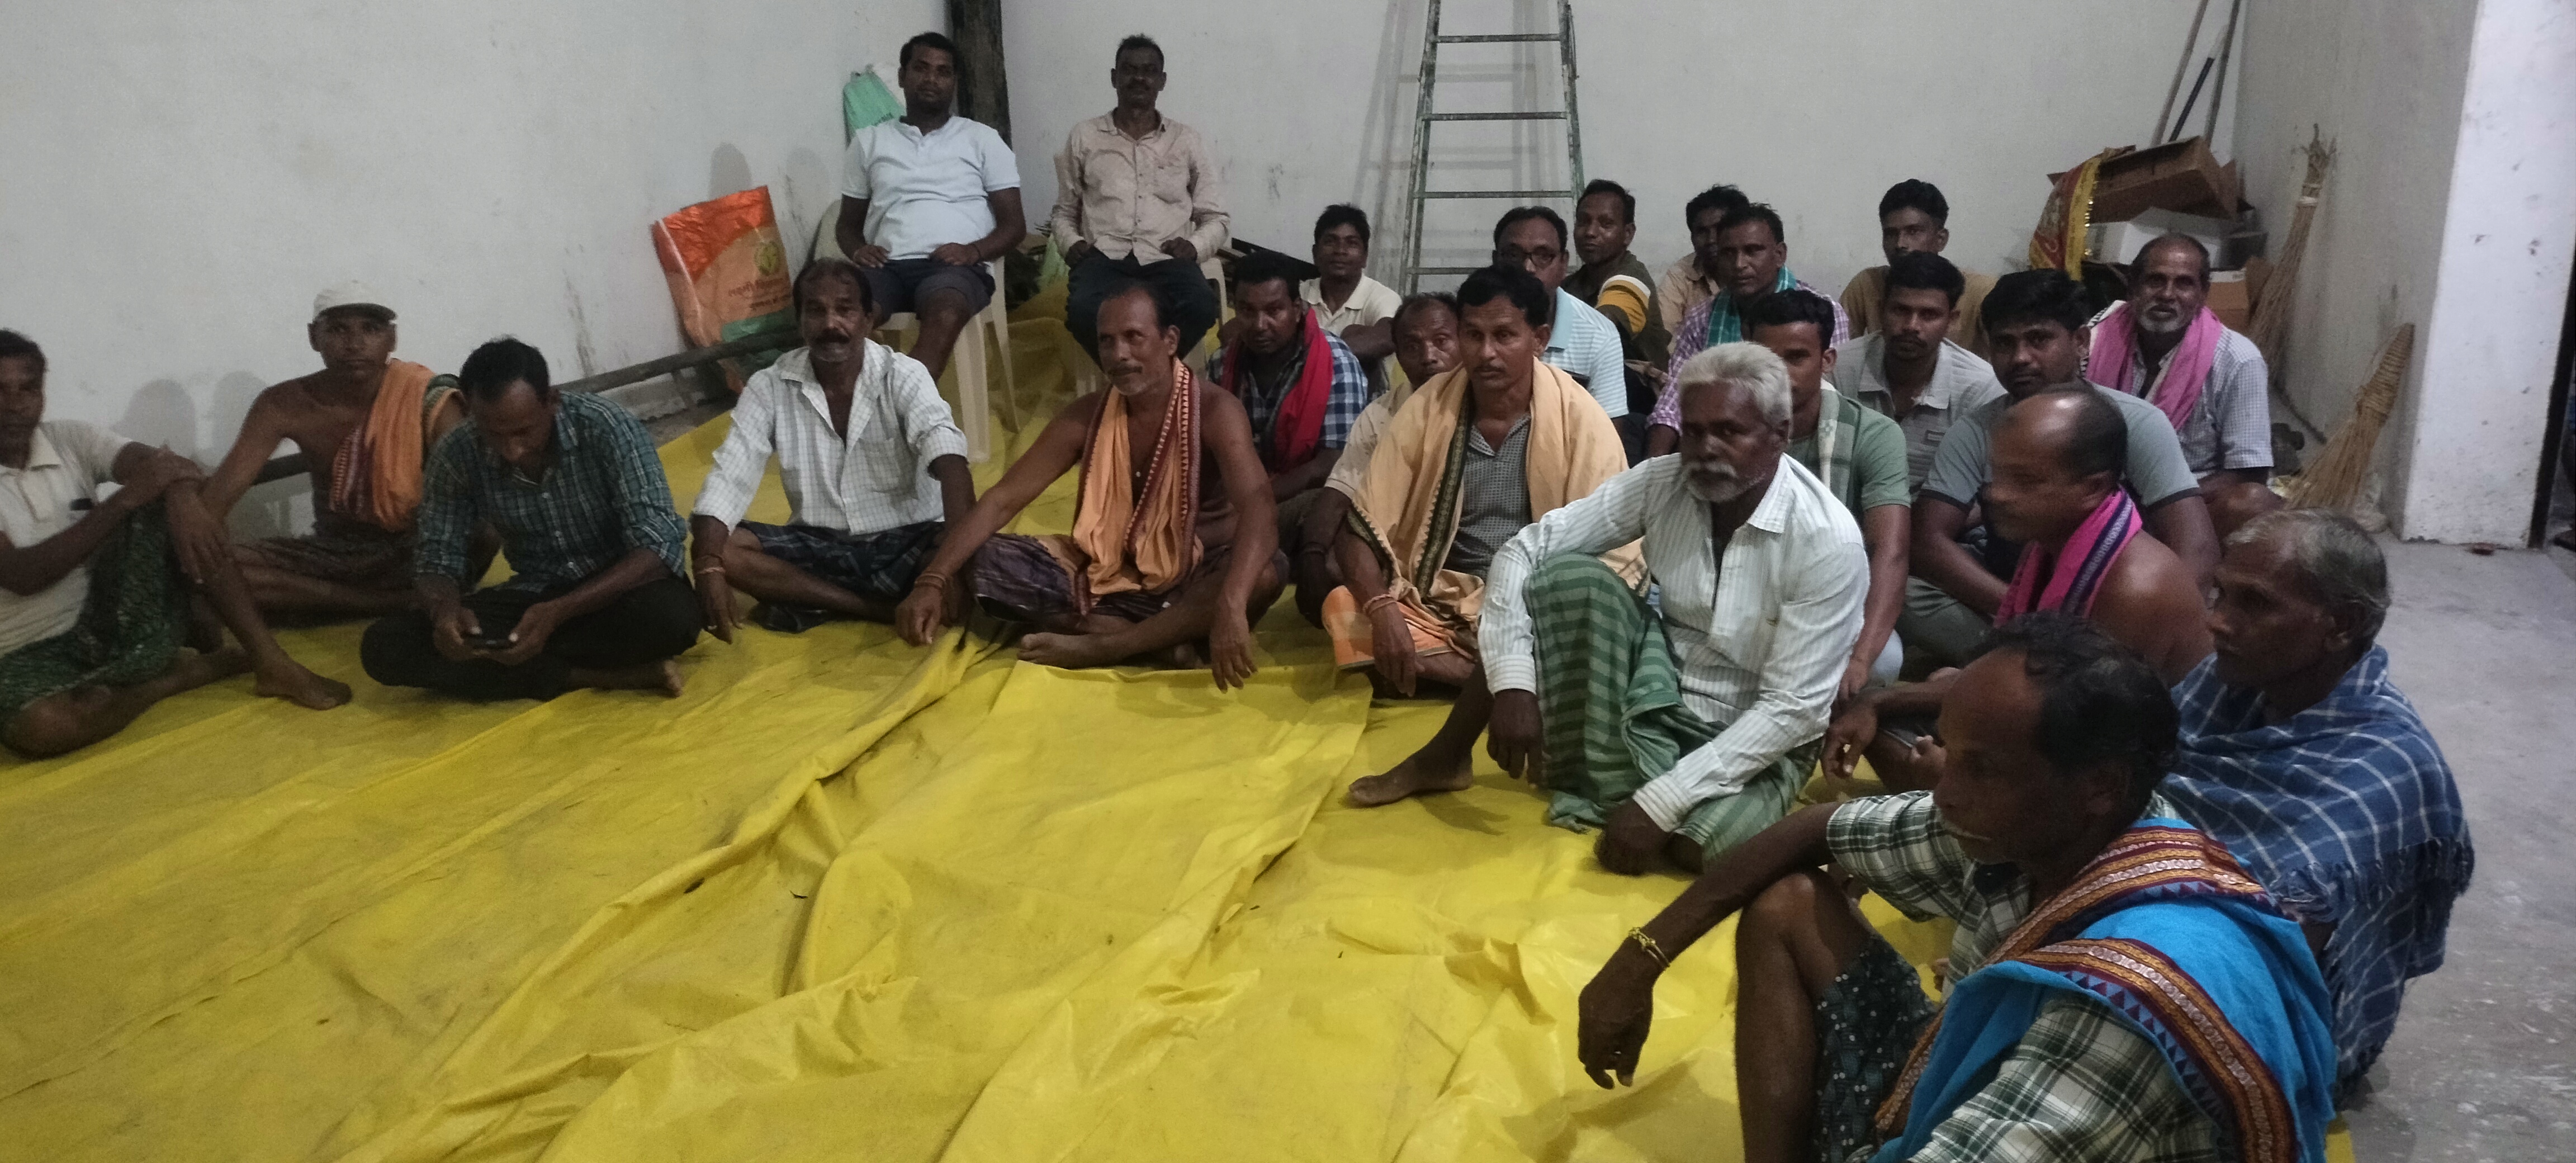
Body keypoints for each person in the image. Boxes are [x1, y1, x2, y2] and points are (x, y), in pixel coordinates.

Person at [1575, 614, 2336, 1163]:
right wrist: (1640, 958)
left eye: (1983, 767)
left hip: (2046, 1105)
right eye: (1949, 750)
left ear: (2099, 786)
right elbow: (1819, 828)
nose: (1943, 789)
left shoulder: (2123, 1008)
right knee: (1791, 905)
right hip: (1975, 1079)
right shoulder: (2050, 824)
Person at [1442, 343, 1866, 873]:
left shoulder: (1828, 540)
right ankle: (1645, 781)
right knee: (1565, 579)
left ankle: (1637, 786)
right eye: (1694, 431)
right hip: (1657, 688)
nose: (1705, 449)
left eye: (1729, 432)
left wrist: (1659, 804)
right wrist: (1512, 682)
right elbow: (1525, 550)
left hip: (1757, 721)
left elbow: (1791, 710)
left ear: (1780, 435)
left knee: (1704, 850)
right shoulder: (1663, 482)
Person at [2163, 509, 2473, 1103]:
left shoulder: (2385, 772)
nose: (2217, 621)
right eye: (2221, 593)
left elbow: (2259, 958)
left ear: (2342, 625)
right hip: (2181, 947)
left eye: (2255, 603)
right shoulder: (2225, 684)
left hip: (2282, 1034)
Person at [1334, 265, 1635, 805]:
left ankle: (1473, 698)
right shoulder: (1427, 407)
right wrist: (1382, 611)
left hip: (1537, 604)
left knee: (1580, 614)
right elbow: (1362, 526)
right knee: (1343, 609)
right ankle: (1514, 681)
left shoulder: (1581, 418)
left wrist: (1525, 614)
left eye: (1504, 336)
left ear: (1539, 339)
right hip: (1440, 599)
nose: (1486, 353)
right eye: (1473, 335)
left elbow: (1612, 555)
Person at [894, 283, 1281, 687]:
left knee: (1264, 575)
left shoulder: (1215, 411)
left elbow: (1259, 509)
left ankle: (1108, 644)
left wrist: (1232, 602)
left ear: (1170, 340)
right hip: (1108, 572)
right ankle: (1158, 640)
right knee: (968, 556)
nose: (1119, 355)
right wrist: (933, 580)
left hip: (1193, 577)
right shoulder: (1087, 415)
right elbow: (1002, 500)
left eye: (1133, 337)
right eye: (1107, 341)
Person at [1832, 389, 2213, 791]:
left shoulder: (2134, 589)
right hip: (2069, 725)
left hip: (2125, 772)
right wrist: (1879, 700)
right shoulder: (2049, 541)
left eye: (2025, 481)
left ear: (2092, 488)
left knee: (1927, 736)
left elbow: (2084, 746)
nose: (1996, 494)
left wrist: (1957, 766)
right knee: (1880, 714)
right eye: (1997, 475)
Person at [0, 331, 350, 756]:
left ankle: (271, 662)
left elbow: (170, 466)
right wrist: (127, 499)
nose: (15, 405)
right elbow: (23, 576)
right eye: (0, 390)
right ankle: (175, 678)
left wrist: (180, 497)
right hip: (14, 654)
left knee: (179, 503)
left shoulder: (68, 439)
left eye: (28, 389)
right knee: (45, 729)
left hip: (104, 623)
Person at [1904, 268, 2219, 671]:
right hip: (2013, 599)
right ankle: (2020, 660)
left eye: (2038, 339)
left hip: (2112, 610)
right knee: (1902, 591)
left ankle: (2015, 666)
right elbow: (1929, 541)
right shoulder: (1976, 429)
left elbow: (2197, 549)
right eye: (2005, 343)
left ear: (2081, 341)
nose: (2020, 358)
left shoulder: (2134, 423)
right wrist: (2029, 615)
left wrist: (2158, 617)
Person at [359, 339, 698, 701]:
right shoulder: (457, 452)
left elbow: (657, 547)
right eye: (493, 434)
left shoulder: (607, 427)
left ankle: (521, 667)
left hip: (617, 588)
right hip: (535, 594)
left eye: (523, 432)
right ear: (471, 411)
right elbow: (437, 557)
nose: (512, 451)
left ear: (551, 401)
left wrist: (559, 612)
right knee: (386, 646)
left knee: (671, 618)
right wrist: (446, 612)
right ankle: (594, 674)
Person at [689, 258, 976, 637]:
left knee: (977, 556)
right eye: (816, 311)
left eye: (845, 310)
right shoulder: (769, 386)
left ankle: (816, 600)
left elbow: (950, 460)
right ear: (800, 321)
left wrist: (945, 574)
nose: (831, 325)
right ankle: (871, 608)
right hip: (821, 546)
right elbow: (730, 477)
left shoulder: (904, 375)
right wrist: (708, 564)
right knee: (721, 549)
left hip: (910, 541)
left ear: (868, 320)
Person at [195, 282, 472, 617]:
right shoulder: (282, 405)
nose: (355, 344)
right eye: (338, 330)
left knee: (482, 534)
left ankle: (358, 599)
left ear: (392, 339)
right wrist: (189, 522)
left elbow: (469, 500)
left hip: (422, 554)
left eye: (371, 329)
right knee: (210, 566)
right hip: (334, 553)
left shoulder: (428, 398)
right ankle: (386, 604)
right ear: (314, 337)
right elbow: (216, 502)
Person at [1742, 290, 1910, 701]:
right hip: (1743, 591)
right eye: (1766, 360)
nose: (1779, 374)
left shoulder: (1874, 434)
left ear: (1827, 361)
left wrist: (1860, 660)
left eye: (1796, 357)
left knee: (1884, 661)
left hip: (1833, 601)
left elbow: (1890, 551)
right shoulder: (1729, 427)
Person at [835, 31, 1026, 380]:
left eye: (943, 72)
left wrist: (973, 251)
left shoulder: (982, 139)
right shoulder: (869, 142)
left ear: (954, 82)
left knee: (946, 312)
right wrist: (858, 250)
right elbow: (847, 225)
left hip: (953, 268)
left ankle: (904, 404)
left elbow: (1014, 226)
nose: (931, 79)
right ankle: (839, 404)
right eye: (921, 68)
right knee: (846, 316)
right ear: (902, 76)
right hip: (887, 268)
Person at [1052, 34, 1227, 362]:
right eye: (1129, 70)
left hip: (1166, 258)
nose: (1139, 79)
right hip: (1104, 258)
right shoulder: (1085, 136)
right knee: (1083, 312)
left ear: (1162, 81)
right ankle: (1142, 380)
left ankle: (1147, 378)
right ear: (1114, 77)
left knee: (1201, 306)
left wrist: (1194, 247)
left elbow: (1216, 217)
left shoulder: (1187, 140)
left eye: (1149, 71)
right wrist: (1070, 243)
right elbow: (1064, 212)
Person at [2091, 234, 2279, 537]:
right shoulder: (2098, 337)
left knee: (2252, 503)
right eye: (2155, 281)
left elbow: (2249, 472)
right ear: (2134, 286)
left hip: (2187, 500)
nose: (2167, 294)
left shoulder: (2239, 360)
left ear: (2203, 294)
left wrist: (2161, 502)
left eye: (2184, 284)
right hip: (2105, 494)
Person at [1292, 292, 1461, 625]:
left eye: (1442, 341)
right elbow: (1341, 490)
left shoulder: (1484, 404)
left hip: (1461, 545)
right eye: (1412, 347)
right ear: (1398, 354)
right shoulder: (1382, 413)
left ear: (1464, 341)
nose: (1429, 356)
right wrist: (1312, 555)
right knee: (1335, 564)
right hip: (1394, 545)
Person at [1206, 249, 1372, 564]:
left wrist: (1253, 501)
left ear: (1297, 309)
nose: (1259, 325)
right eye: (1247, 311)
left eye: (1274, 311)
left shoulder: (1337, 363)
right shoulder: (1222, 363)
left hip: (1297, 497)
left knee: (1331, 504)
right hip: (1238, 497)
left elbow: (1332, 463)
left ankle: (1229, 547)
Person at [1646, 203, 1849, 455]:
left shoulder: (1824, 313)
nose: (1739, 264)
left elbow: (1835, 397)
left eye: (1753, 251)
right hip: (1724, 442)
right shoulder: (1702, 318)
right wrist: (1651, 468)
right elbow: (1675, 401)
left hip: (1807, 443)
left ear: (1779, 255)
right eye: (1728, 253)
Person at [1827, 250, 2006, 493]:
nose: (1912, 326)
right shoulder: (1839, 369)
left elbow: (1984, 487)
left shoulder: (1980, 388)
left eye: (1929, 315)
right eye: (1900, 311)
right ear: (1881, 310)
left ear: (1952, 320)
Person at [1490, 207, 1630, 429]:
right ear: (1495, 261)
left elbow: (1608, 434)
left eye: (1543, 256)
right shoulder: (1471, 326)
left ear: (1564, 264)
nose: (1528, 268)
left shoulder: (1599, 334)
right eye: (1513, 255)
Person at [1839, 179, 1998, 359]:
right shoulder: (1867, 284)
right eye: (1891, 234)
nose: (1900, 244)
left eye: (1913, 232)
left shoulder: (1981, 291)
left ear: (1941, 239)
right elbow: (1836, 351)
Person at [1569, 178, 1670, 371]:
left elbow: (1598, 331)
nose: (1590, 232)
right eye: (1583, 221)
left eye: (1606, 224)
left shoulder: (1633, 280)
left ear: (1628, 234)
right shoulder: (1572, 284)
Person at [1300, 204, 1401, 379]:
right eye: (1330, 242)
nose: (1340, 251)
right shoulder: (1298, 294)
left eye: (1352, 243)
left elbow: (1387, 338)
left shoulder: (1383, 297)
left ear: (1365, 257)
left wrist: (1312, 355)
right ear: (1315, 253)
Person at [1655, 183, 1750, 341]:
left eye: (1719, 229)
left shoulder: (1758, 272)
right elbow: (1663, 336)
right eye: (1702, 232)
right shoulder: (1681, 274)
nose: (1711, 240)